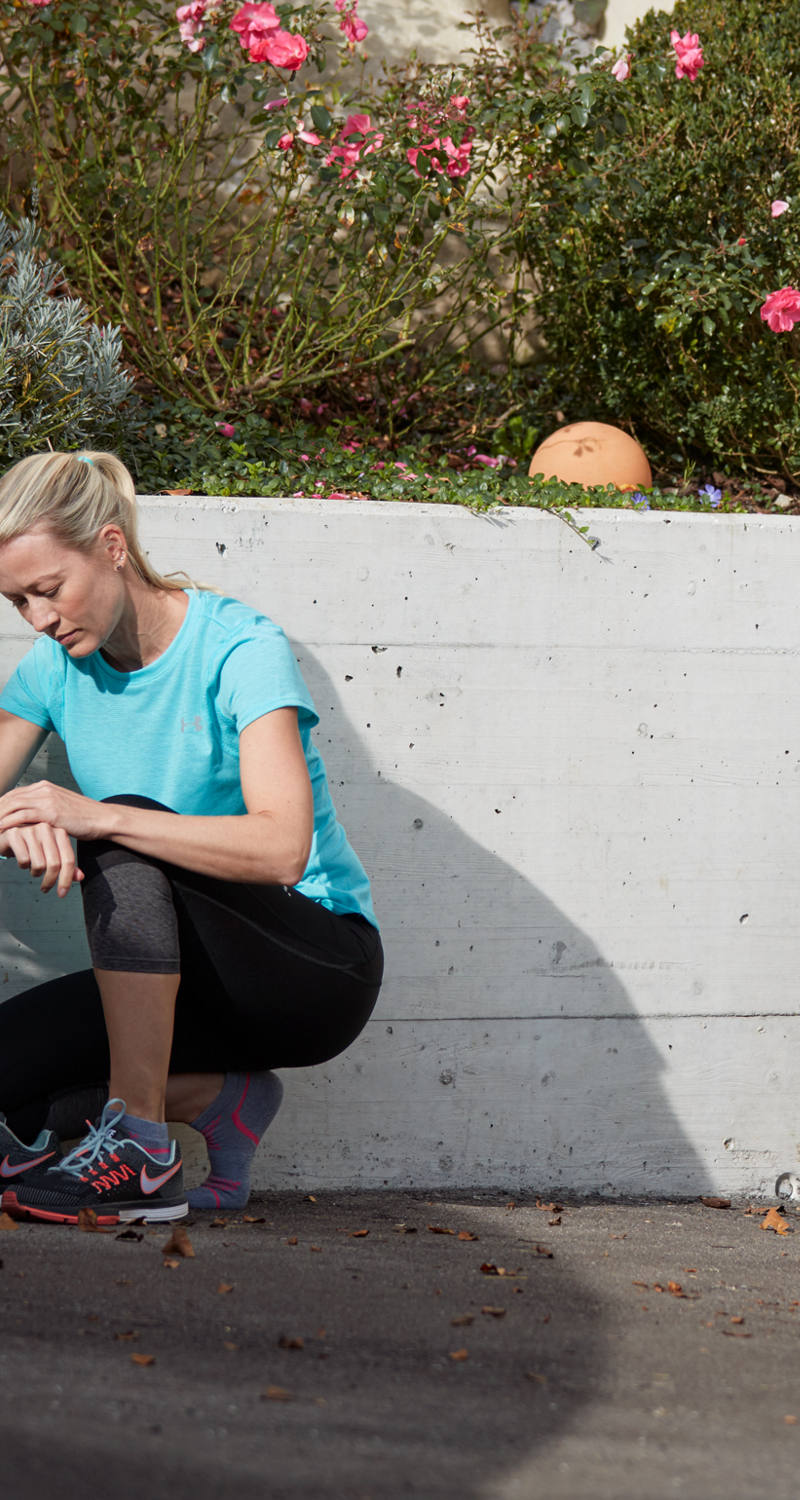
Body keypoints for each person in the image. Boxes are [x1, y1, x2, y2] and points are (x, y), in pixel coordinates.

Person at [0, 451, 383, 1224]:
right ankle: (223, 1101)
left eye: (48, 590)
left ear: (112, 547)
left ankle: (139, 1147)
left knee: (123, 822)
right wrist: (22, 815)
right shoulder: (52, 670)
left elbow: (282, 848)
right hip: (165, 982)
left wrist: (92, 815)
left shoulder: (240, 647)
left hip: (308, 969)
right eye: (17, 602)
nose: (38, 618)